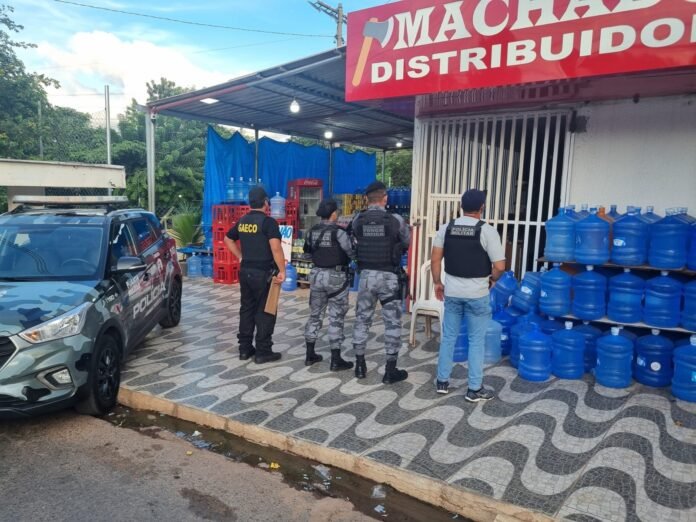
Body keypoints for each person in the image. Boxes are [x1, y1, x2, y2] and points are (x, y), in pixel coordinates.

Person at [430, 189, 506, 402]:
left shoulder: (446, 228)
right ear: (482, 207)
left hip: (452, 293)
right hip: (477, 294)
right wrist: (493, 279)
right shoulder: (487, 231)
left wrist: (437, 283)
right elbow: (500, 266)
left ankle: (442, 382)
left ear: (461, 206)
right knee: (476, 341)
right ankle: (474, 389)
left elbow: (435, 259)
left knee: (449, 338)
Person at [351, 181, 410, 383]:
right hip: (389, 276)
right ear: (385, 198)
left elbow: (354, 243)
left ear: (367, 199)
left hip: (366, 277)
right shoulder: (395, 220)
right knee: (392, 322)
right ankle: (390, 371)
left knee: (362, 320)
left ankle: (360, 366)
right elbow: (406, 242)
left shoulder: (358, 219)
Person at [224, 187, 286, 364]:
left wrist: (240, 256)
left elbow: (228, 239)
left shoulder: (242, 221)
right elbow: (276, 248)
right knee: (266, 311)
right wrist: (282, 270)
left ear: (250, 203)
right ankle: (263, 351)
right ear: (266, 202)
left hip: (245, 273)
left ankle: (244, 349)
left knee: (247, 309)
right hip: (264, 274)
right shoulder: (268, 223)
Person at [303, 199, 355, 370]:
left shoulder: (311, 231)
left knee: (315, 315)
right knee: (336, 316)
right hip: (336, 277)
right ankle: (335, 359)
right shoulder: (339, 233)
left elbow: (307, 254)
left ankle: (310, 354)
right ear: (333, 214)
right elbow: (351, 253)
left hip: (316, 276)